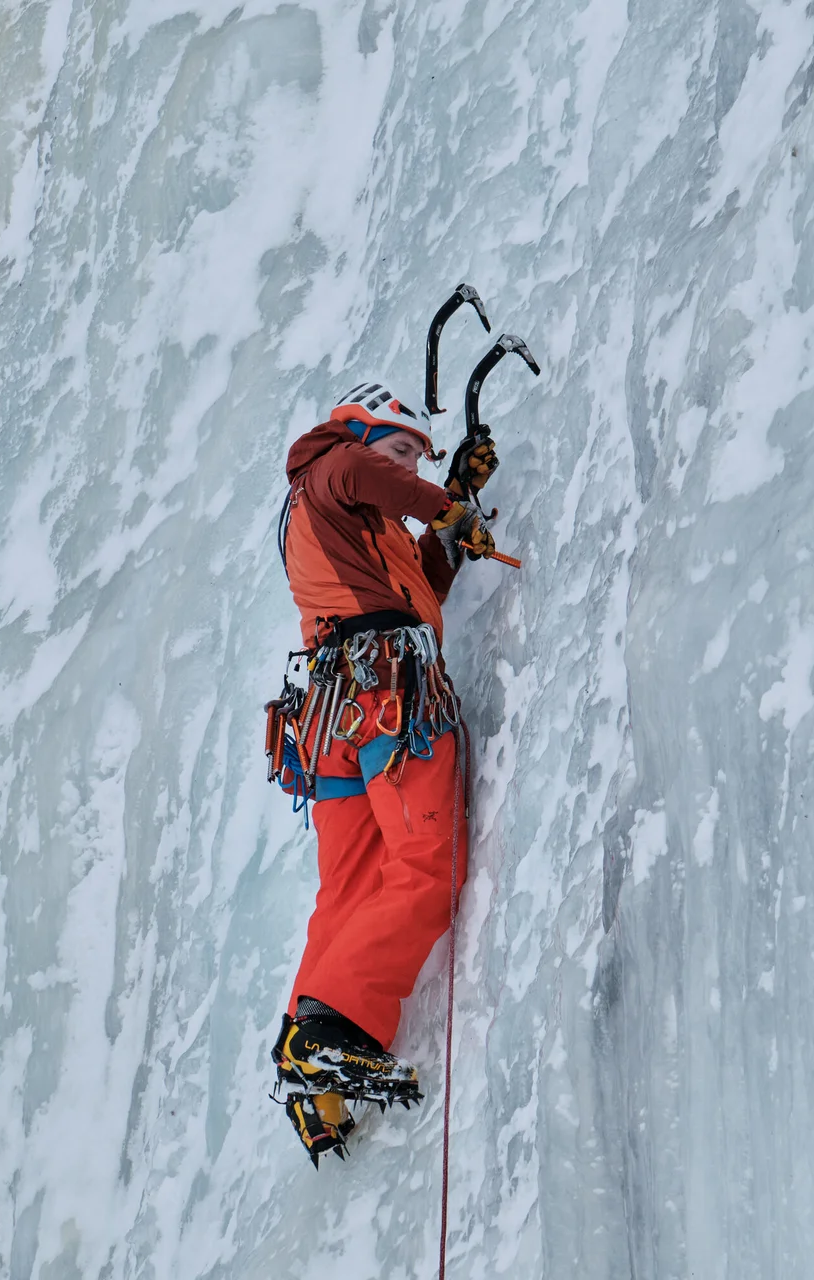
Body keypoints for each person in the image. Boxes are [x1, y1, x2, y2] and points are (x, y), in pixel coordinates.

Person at [268, 379, 499, 1164]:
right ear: (360, 434)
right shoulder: (332, 469)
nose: (408, 470)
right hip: (384, 690)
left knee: (352, 886)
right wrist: (443, 499)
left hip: (332, 718)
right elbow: (375, 478)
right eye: (402, 449)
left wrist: (456, 505)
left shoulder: (358, 526)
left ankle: (310, 1060)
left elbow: (423, 585)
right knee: (429, 865)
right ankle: (337, 1025)